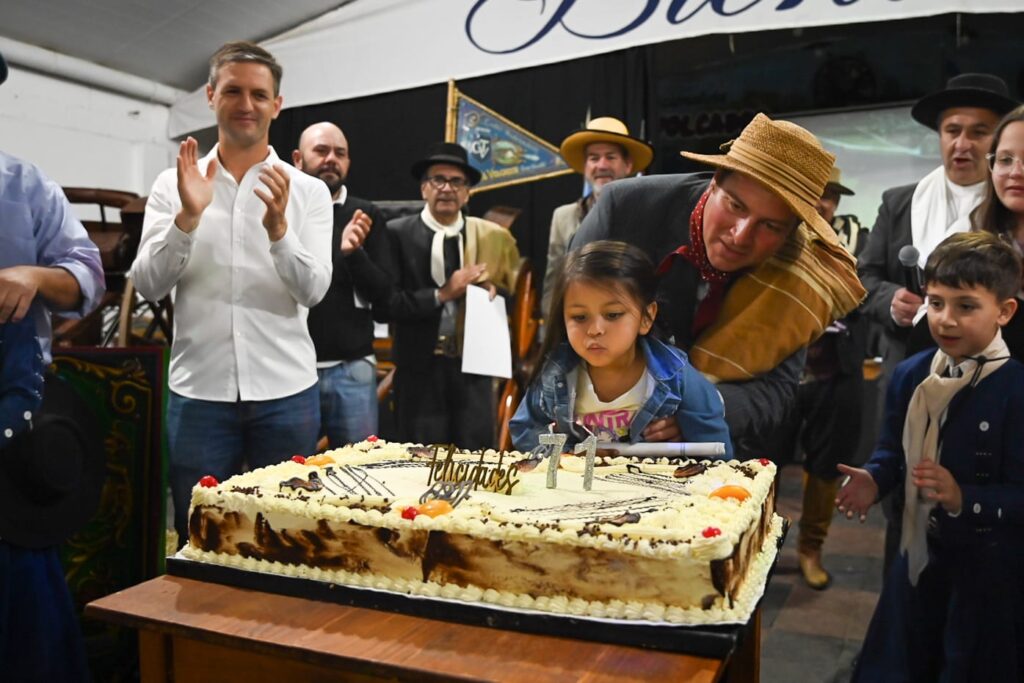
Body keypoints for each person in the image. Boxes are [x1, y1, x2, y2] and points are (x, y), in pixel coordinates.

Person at [131, 41, 333, 546]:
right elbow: (150, 284)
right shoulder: (173, 184)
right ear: (210, 96)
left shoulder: (306, 192)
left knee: (287, 538)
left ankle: (281, 627)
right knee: (201, 536)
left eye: (259, 94)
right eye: (234, 91)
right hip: (199, 394)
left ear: (277, 105)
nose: (246, 104)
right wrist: (187, 218)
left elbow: (313, 291)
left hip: (286, 392)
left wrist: (280, 231)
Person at [572, 113, 865, 457]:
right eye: (734, 205)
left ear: (792, 233)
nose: (740, 236)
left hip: (716, 461)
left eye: (770, 226)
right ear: (714, 183)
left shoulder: (800, 273)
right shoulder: (624, 209)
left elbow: (779, 392)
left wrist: (702, 408)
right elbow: (570, 327)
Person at [837, 231, 1024, 682]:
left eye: (966, 306)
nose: (946, 319)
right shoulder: (911, 374)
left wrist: (965, 498)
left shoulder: (1016, 391)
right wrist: (875, 478)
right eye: (936, 302)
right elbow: (892, 452)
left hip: (988, 576)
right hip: (918, 559)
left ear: (1004, 310)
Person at [857, 72, 1018, 571]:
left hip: (996, 385)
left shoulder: (1004, 215)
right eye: (952, 130)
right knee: (905, 495)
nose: (962, 144)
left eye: (979, 132)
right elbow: (864, 274)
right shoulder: (899, 201)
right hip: (913, 371)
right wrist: (889, 300)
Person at [0, 50, 106, 681]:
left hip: (12, 441)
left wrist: (35, 276)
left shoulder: (23, 185)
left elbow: (87, 275)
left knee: (26, 617)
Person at [510, 240, 731, 456]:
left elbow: (716, 451)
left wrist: (683, 441)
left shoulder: (677, 377)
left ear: (646, 317)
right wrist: (562, 453)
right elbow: (524, 431)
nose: (595, 329)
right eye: (579, 317)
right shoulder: (555, 374)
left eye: (613, 315)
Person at [773, 167, 870, 589]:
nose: (824, 202)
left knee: (827, 466)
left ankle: (811, 549)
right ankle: (761, 543)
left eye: (831, 195)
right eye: (816, 191)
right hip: (778, 374)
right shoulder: (771, 240)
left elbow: (871, 297)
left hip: (838, 372)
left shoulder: (857, 245)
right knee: (765, 463)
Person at [386, 142, 519, 449]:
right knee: (419, 459)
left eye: (456, 181)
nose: (447, 188)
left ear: (467, 191)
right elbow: (389, 304)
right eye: (438, 180)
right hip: (418, 367)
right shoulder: (397, 233)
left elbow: (514, 295)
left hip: (473, 369)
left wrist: (495, 292)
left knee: (476, 456)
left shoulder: (491, 236)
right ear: (423, 189)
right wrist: (444, 293)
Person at [293, 121, 394, 446]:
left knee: (358, 478)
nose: (331, 159)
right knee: (288, 480)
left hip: (352, 370)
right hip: (291, 371)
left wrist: (353, 255)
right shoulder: (281, 211)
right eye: (321, 151)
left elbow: (384, 299)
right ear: (298, 159)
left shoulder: (366, 214)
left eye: (340, 153)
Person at [541, 117, 653, 316]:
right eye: (593, 158)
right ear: (585, 167)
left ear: (628, 165)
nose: (601, 165)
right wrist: (551, 336)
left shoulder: (647, 214)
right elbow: (553, 283)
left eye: (610, 157)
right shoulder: (562, 217)